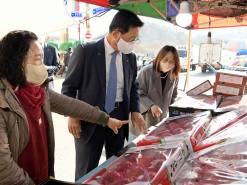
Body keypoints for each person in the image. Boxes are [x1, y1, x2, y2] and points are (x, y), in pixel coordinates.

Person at [0, 30, 127, 185]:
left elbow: (71, 105)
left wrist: (105, 119)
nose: (44, 66)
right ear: (17, 61)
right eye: (39, 59)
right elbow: (3, 166)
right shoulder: (4, 101)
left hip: (42, 176)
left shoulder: (39, 91)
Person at [61, 9, 147, 180]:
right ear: (116, 34)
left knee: (117, 167)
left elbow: (132, 87)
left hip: (119, 118)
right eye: (131, 39)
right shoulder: (86, 51)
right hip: (89, 119)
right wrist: (73, 116)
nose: (134, 43)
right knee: (86, 171)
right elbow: (69, 87)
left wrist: (135, 110)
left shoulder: (130, 57)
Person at [133, 45, 181, 134]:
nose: (168, 64)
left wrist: (171, 109)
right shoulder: (146, 71)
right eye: (165, 60)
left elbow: (174, 95)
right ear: (159, 59)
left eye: (172, 62)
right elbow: (137, 92)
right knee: (143, 140)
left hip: (162, 117)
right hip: (145, 116)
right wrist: (151, 105)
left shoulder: (174, 75)